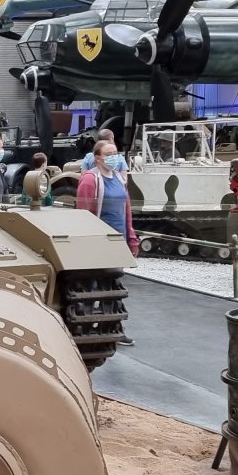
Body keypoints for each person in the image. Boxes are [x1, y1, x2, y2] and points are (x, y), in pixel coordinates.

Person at [77, 140, 135, 346]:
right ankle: (84, 329)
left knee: (113, 286)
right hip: (98, 242)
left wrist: (131, 237)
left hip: (117, 241)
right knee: (91, 286)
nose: (114, 157)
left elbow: (126, 211)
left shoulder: (119, 178)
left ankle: (112, 327)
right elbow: (82, 214)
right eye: (109, 154)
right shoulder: (90, 180)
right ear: (98, 158)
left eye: (116, 153)